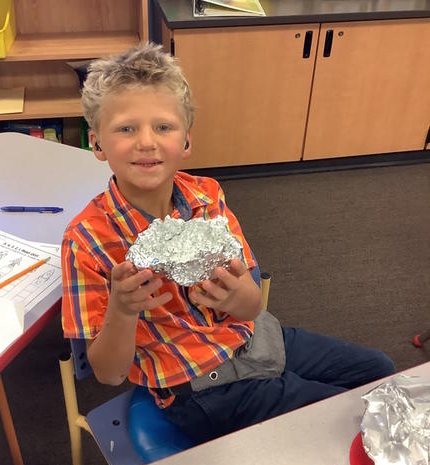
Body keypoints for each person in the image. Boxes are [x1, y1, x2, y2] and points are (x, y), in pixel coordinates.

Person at [61, 42, 395, 444]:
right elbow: (108, 373)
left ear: (186, 141)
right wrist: (123, 308)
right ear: (96, 143)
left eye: (163, 127)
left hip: (259, 339)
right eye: (126, 128)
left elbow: (254, 306)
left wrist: (237, 297)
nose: (146, 142)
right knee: (348, 422)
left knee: (381, 370)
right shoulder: (86, 241)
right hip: (203, 388)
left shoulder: (207, 196)